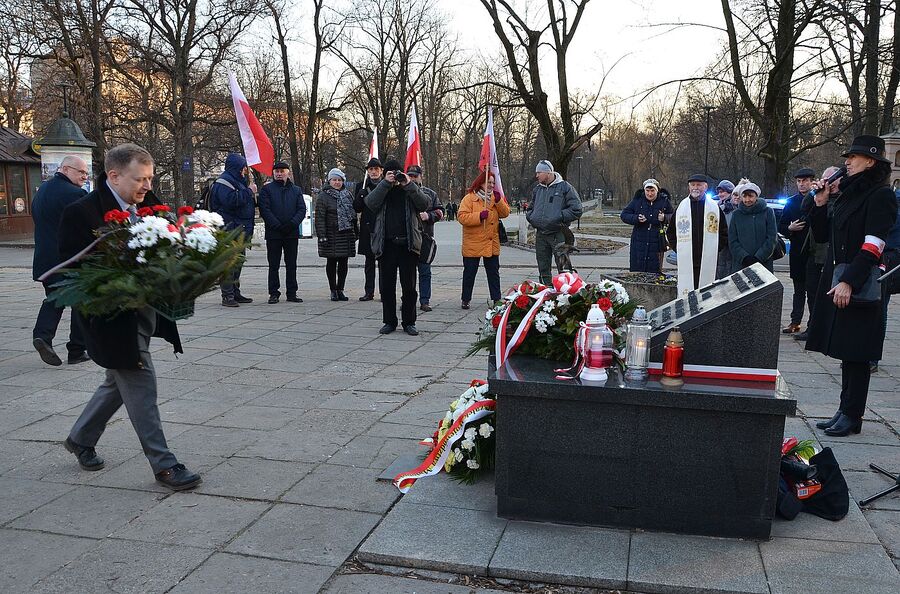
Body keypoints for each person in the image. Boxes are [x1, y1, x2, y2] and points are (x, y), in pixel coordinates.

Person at [57, 143, 201, 490]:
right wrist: (119, 281)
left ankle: (80, 437)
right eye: (140, 179)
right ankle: (164, 465)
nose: (147, 185)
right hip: (110, 319)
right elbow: (72, 273)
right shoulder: (82, 213)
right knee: (139, 382)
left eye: (150, 178)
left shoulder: (150, 204)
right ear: (114, 176)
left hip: (147, 311)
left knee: (116, 382)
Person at [806, 135, 897, 437]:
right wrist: (820, 203)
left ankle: (853, 415)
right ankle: (844, 409)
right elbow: (823, 237)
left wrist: (848, 281)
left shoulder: (880, 196)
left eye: (853, 157)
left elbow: (874, 245)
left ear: (870, 161)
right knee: (846, 350)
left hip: (860, 283)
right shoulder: (847, 195)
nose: (847, 161)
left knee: (857, 353)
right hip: (839, 278)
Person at [31, 155, 89, 366]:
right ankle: (76, 350)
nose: (85, 176)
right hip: (68, 259)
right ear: (65, 169)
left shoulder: (42, 191)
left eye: (85, 172)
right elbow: (87, 224)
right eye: (81, 172)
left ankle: (43, 336)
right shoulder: (75, 194)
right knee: (82, 301)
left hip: (45, 259)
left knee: (55, 298)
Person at [364, 157, 430, 335]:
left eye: (396, 173)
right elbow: (370, 203)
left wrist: (408, 183)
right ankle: (389, 321)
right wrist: (385, 183)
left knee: (409, 287)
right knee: (387, 287)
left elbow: (424, 203)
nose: (394, 177)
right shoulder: (382, 189)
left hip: (408, 245)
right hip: (386, 245)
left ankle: (409, 322)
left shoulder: (410, 189)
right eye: (390, 173)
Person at [794, 166, 841, 343]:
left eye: (832, 179)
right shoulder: (817, 196)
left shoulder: (841, 199)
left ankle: (829, 329)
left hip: (830, 254)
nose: (828, 182)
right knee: (812, 292)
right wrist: (816, 192)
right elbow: (804, 207)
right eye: (825, 179)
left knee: (829, 295)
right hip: (814, 253)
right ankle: (813, 327)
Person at [666, 173, 729, 295]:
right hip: (687, 257)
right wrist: (679, 249)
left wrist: (715, 249)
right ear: (689, 187)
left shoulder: (714, 208)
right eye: (692, 185)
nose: (695, 187)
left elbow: (723, 232)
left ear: (705, 187)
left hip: (707, 258)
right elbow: (671, 232)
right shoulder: (681, 207)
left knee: (706, 292)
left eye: (699, 185)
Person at [458, 171, 511, 308]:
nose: (492, 185)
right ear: (481, 182)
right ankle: (466, 299)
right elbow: (462, 217)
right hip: (473, 243)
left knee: (493, 273)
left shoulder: (495, 198)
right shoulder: (469, 198)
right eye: (489, 182)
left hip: (490, 242)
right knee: (469, 273)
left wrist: (499, 201)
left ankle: (496, 298)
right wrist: (479, 216)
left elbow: (505, 213)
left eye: (493, 183)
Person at [210, 153, 256, 307]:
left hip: (239, 229)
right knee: (229, 264)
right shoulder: (224, 182)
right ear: (237, 167)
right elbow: (231, 201)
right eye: (243, 167)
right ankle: (227, 295)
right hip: (229, 229)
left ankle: (235, 292)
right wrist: (249, 192)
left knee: (238, 263)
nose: (245, 170)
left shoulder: (235, 181)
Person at [526, 160, 583, 284]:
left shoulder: (565, 187)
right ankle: (546, 292)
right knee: (543, 266)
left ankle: (566, 293)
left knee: (563, 266)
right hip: (541, 234)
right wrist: (532, 217)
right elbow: (530, 208)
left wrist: (558, 217)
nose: (536, 176)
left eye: (539, 172)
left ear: (548, 173)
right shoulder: (537, 190)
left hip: (558, 233)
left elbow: (577, 209)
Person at [258, 161, 306, 304]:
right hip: (274, 234)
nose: (279, 174)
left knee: (291, 264)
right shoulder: (267, 190)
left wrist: (292, 223)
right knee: (274, 265)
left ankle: (292, 292)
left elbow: (301, 209)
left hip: (291, 233)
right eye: (276, 171)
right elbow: (265, 210)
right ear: (273, 173)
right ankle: (274, 293)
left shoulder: (296, 190)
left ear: (288, 172)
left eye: (282, 171)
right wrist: (277, 225)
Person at [779, 167, 816, 335]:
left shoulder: (818, 198)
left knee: (814, 292)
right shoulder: (791, 202)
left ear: (812, 181)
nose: (802, 184)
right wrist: (790, 228)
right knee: (798, 291)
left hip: (814, 253)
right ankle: (795, 321)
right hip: (797, 252)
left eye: (805, 181)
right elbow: (781, 225)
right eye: (799, 181)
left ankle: (813, 325)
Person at [316, 168, 357, 301]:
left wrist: (356, 231)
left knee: (344, 263)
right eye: (334, 180)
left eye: (339, 180)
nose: (337, 182)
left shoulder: (348, 194)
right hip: (331, 233)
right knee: (332, 262)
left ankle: (341, 289)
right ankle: (333, 290)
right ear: (330, 181)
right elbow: (320, 218)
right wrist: (322, 235)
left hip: (346, 234)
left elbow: (353, 215)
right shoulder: (323, 196)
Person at [406, 165, 443, 311]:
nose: (413, 178)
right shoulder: (402, 192)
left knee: (425, 271)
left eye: (415, 176)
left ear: (421, 176)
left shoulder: (430, 194)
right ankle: (408, 300)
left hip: (425, 238)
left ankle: (425, 300)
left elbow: (440, 211)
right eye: (410, 176)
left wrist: (429, 216)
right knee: (408, 274)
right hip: (407, 238)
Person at [620, 178, 673, 273]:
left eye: (652, 191)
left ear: (657, 191)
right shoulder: (637, 201)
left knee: (654, 270)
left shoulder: (664, 201)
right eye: (647, 191)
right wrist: (636, 218)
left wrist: (664, 217)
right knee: (637, 269)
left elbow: (673, 216)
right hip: (639, 239)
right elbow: (624, 215)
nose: (650, 194)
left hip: (657, 240)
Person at [728, 182, 777, 272]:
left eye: (750, 196)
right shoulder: (736, 214)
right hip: (741, 264)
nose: (747, 200)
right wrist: (744, 257)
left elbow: (772, 238)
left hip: (763, 263)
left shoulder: (768, 212)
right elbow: (732, 240)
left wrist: (759, 257)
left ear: (756, 196)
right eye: (744, 196)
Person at [354, 158, 383, 301]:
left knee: (384, 263)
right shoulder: (362, 186)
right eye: (370, 169)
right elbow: (357, 207)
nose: (373, 172)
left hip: (383, 227)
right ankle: (369, 291)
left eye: (376, 169)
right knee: (369, 263)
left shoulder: (386, 185)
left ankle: (384, 291)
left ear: (381, 171)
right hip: (368, 227)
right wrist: (361, 194)